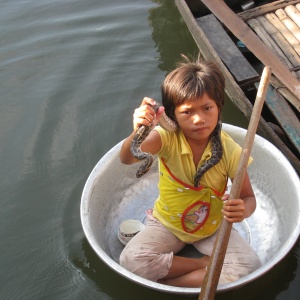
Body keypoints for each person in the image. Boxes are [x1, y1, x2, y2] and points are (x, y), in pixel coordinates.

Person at [119, 56, 261, 287]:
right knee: (130, 260)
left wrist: (242, 210)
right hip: (166, 224)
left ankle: (172, 287)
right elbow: (127, 158)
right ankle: (205, 265)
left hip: (212, 227)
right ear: (173, 115)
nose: (199, 119)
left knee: (250, 266)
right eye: (187, 112)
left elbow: (248, 197)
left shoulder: (231, 152)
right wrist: (140, 131)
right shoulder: (166, 138)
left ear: (219, 107)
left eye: (207, 108)